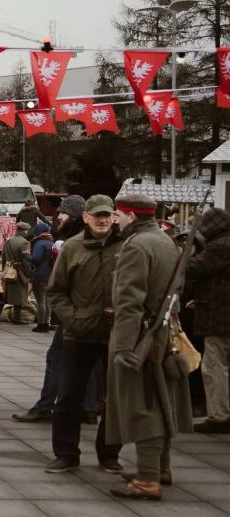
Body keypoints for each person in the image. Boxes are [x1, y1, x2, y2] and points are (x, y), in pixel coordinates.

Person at [107, 194, 191, 500]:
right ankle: (159, 468)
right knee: (161, 399)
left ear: (130, 215)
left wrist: (125, 348)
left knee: (144, 406)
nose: (115, 220)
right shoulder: (166, 241)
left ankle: (146, 479)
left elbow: (129, 300)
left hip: (141, 336)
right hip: (162, 331)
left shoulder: (137, 246)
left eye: (117, 215)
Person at [43, 194, 124, 474]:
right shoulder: (73, 247)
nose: (102, 220)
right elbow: (56, 290)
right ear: (86, 217)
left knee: (116, 398)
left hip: (116, 334)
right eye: (96, 215)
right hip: (78, 333)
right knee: (68, 396)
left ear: (114, 217)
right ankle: (66, 453)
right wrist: (72, 319)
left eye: (107, 215)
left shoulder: (126, 245)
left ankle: (109, 453)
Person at [187, 207, 230, 433]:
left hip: (219, 318)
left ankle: (219, 416)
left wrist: (191, 249)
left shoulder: (220, 247)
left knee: (214, 366)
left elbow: (192, 267)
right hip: (221, 312)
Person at [1, 222, 32, 325]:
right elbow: (26, 260)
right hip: (19, 271)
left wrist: (4, 270)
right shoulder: (25, 243)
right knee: (19, 296)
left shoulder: (8, 241)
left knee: (4, 296)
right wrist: (28, 273)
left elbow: (3, 258)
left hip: (8, 270)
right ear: (24, 231)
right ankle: (17, 318)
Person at [29, 223, 55, 333]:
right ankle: (47, 323)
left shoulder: (40, 243)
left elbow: (36, 259)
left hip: (40, 274)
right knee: (47, 301)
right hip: (49, 274)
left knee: (40, 301)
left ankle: (41, 325)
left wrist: (26, 255)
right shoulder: (50, 242)